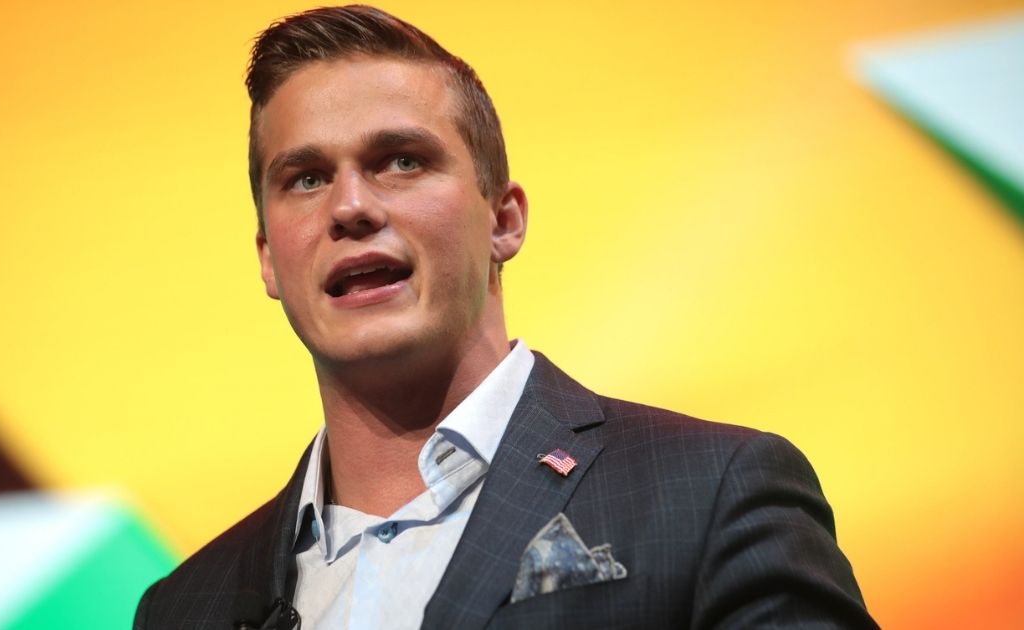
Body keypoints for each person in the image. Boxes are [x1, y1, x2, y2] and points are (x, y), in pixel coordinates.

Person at [134, 5, 876, 629]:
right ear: (269, 256)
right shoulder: (184, 607)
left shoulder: (714, 493)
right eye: (305, 178)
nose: (351, 207)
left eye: (400, 160)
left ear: (504, 218)